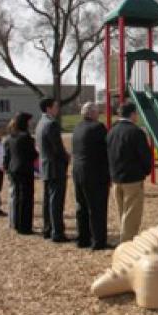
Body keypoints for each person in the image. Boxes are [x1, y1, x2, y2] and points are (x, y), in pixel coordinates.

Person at [107, 102, 152, 243]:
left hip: (116, 177)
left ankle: (125, 237)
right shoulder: (136, 132)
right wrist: (146, 170)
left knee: (122, 212)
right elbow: (144, 155)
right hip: (132, 178)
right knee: (132, 213)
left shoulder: (111, 131)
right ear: (132, 114)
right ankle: (127, 243)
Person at [71, 102, 110, 250]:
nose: (99, 114)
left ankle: (83, 238)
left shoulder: (77, 128)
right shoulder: (98, 127)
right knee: (97, 208)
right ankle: (98, 241)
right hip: (94, 173)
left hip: (78, 170)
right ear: (91, 113)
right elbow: (105, 150)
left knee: (81, 206)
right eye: (97, 111)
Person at [35, 97, 70, 243]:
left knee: (47, 200)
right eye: (55, 106)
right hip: (55, 167)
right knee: (56, 201)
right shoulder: (52, 124)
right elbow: (58, 148)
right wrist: (66, 157)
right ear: (48, 108)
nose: (57, 109)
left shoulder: (40, 123)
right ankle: (57, 232)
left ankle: (48, 228)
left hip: (45, 166)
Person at [3, 112, 38, 234]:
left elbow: (7, 155)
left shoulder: (11, 136)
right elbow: (32, 154)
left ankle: (17, 223)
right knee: (26, 198)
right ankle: (25, 226)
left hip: (14, 169)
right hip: (24, 170)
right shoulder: (26, 137)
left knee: (17, 197)